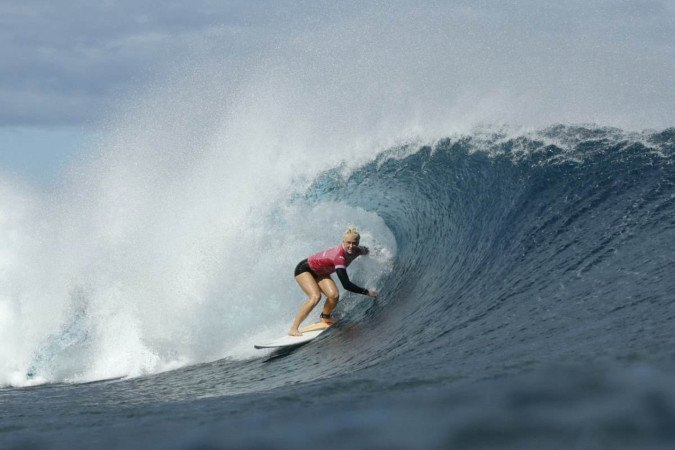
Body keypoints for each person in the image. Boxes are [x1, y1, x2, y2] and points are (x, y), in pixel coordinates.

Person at [289, 226, 378, 336]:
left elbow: (370, 252)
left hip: (320, 272)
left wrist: (381, 255)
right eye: (348, 243)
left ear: (358, 242)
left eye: (354, 243)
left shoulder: (358, 250)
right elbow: (346, 285)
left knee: (334, 295)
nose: (351, 246)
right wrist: (367, 292)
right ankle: (293, 329)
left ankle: (325, 317)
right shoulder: (339, 257)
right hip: (304, 269)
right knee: (315, 297)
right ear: (343, 242)